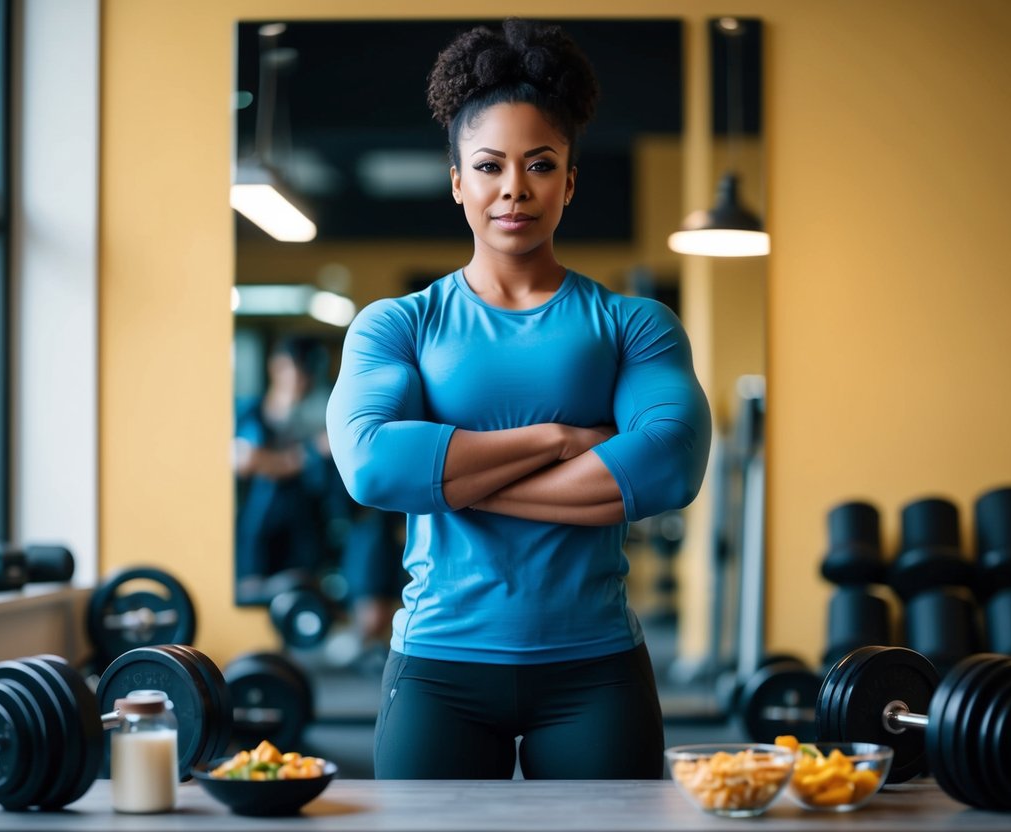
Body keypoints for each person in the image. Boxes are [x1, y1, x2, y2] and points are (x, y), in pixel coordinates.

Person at [326, 18, 711, 780]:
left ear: (569, 180)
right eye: (489, 165)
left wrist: (452, 481)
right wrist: (563, 440)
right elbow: (372, 468)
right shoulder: (398, 324)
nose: (513, 188)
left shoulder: (633, 324)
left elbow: (668, 467)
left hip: (594, 668)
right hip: (438, 666)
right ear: (456, 180)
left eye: (539, 164)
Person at [234, 335, 347, 589]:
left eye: (305, 371)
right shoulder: (250, 412)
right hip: (255, 540)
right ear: (276, 366)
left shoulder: (321, 416)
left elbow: (329, 450)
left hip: (304, 537)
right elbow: (245, 461)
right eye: (292, 367)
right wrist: (301, 457)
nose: (298, 377)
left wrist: (276, 461)